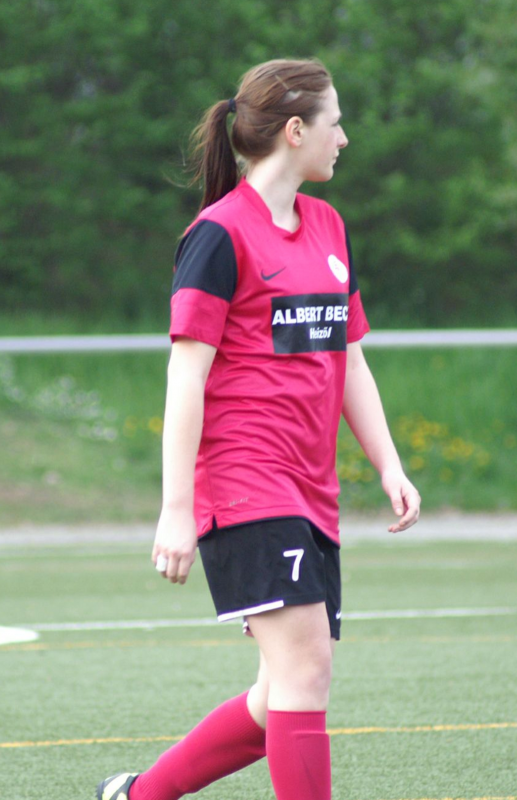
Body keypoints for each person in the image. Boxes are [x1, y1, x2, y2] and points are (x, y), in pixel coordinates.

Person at [97, 57, 420, 800]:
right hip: (246, 484)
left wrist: (389, 464)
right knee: (306, 670)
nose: (344, 138)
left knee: (279, 692)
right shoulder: (217, 235)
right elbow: (186, 377)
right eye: (336, 123)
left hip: (311, 491)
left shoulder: (328, 226)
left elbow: (349, 357)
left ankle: (139, 795)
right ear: (296, 130)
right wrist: (177, 508)